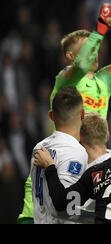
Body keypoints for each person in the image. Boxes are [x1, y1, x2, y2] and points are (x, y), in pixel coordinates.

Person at [17, 2, 111, 224]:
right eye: (89, 47)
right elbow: (82, 65)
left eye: (96, 47)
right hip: (64, 157)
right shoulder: (67, 78)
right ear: (70, 55)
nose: (96, 51)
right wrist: (101, 27)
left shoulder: (105, 79)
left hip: (93, 160)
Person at [30, 86, 88, 224]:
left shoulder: (39, 147)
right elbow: (66, 208)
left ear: (51, 116)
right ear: (82, 114)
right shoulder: (75, 151)